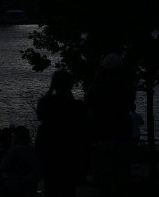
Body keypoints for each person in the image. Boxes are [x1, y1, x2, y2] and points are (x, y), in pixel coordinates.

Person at [85, 53, 136, 196]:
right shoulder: (128, 89)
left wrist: (96, 76)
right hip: (123, 138)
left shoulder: (97, 89)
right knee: (122, 183)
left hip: (101, 139)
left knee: (103, 186)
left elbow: (87, 104)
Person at [35, 69, 87, 197]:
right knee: (68, 187)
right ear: (70, 85)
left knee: (50, 185)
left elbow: (40, 117)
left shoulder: (45, 103)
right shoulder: (76, 106)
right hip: (69, 151)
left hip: (49, 150)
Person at [0, 126, 41, 197]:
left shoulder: (15, 150)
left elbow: (0, 168)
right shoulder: (35, 151)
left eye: (13, 136)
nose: (12, 138)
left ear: (17, 137)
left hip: (14, 188)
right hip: (30, 189)